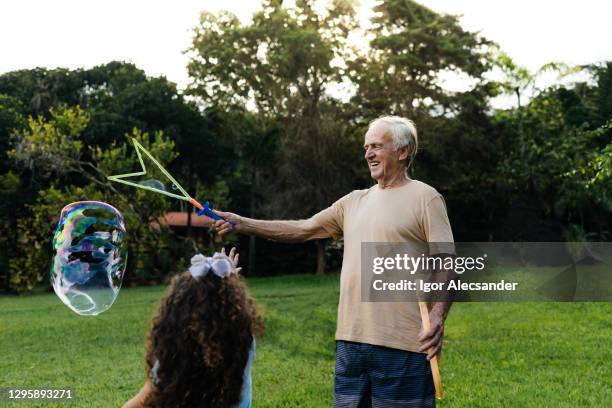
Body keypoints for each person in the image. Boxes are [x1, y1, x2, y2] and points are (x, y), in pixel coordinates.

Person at [213, 116, 454, 407]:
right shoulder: (353, 202)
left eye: (376, 146)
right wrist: (242, 223)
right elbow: (303, 229)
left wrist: (438, 317)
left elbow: (447, 264)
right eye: (366, 147)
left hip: (402, 345)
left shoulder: (425, 198)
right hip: (350, 345)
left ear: (403, 151)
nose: (368, 153)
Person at [123, 248, 264, 408]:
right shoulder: (244, 342)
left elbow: (141, 401)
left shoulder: (174, 357)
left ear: (177, 314)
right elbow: (229, 313)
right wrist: (229, 282)